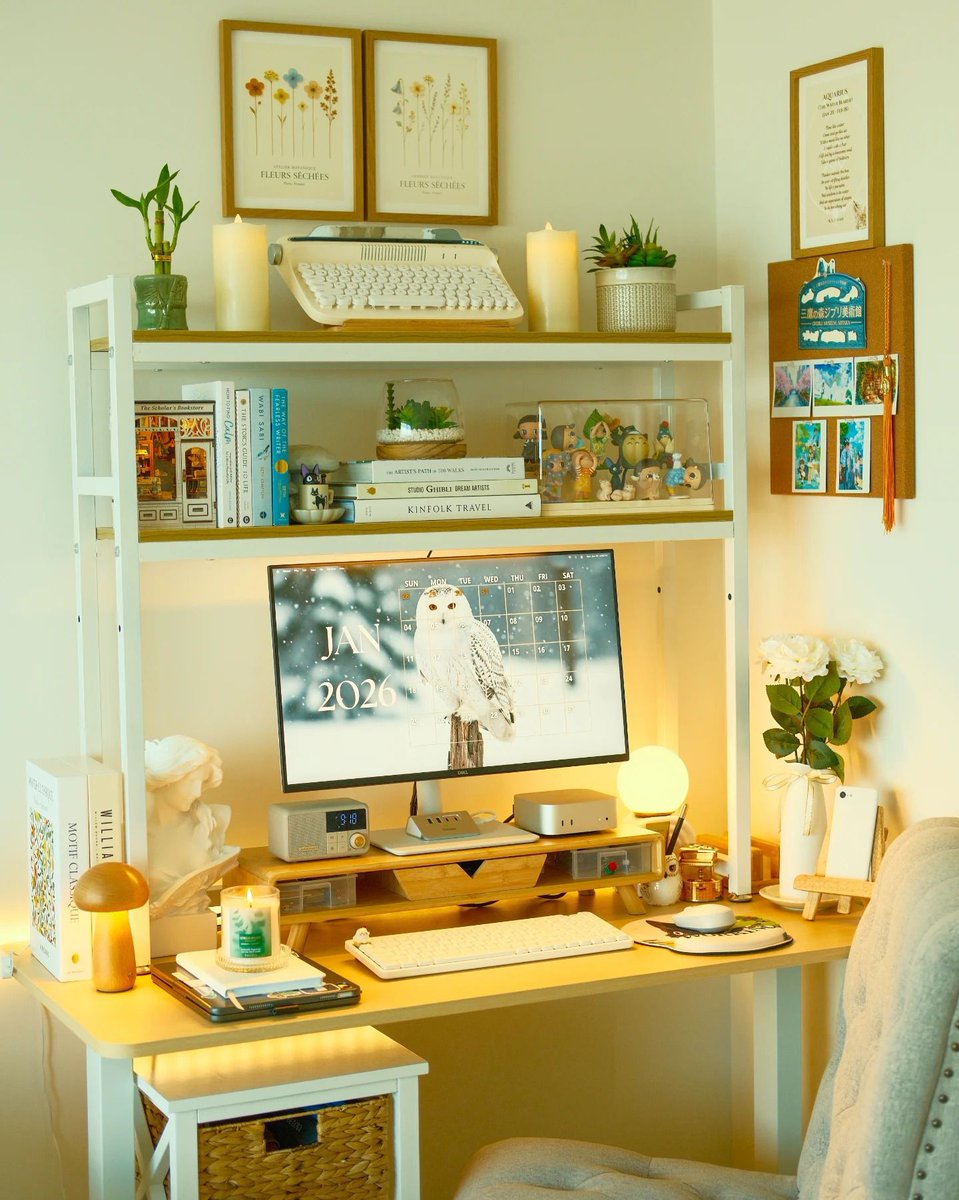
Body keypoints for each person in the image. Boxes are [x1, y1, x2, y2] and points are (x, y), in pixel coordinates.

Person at [145, 734, 237, 915]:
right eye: (192, 782)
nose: (198, 792)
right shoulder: (133, 832)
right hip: (152, 927)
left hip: (198, 920)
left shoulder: (210, 822)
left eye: (202, 783)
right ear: (168, 778)